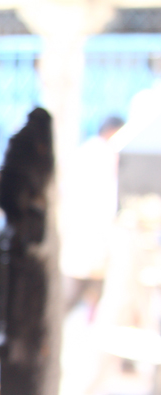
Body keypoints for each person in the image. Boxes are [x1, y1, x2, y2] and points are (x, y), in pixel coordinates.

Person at [59, 115, 125, 318]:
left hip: (91, 235)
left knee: (91, 293)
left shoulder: (92, 151)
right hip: (87, 233)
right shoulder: (99, 154)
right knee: (72, 293)